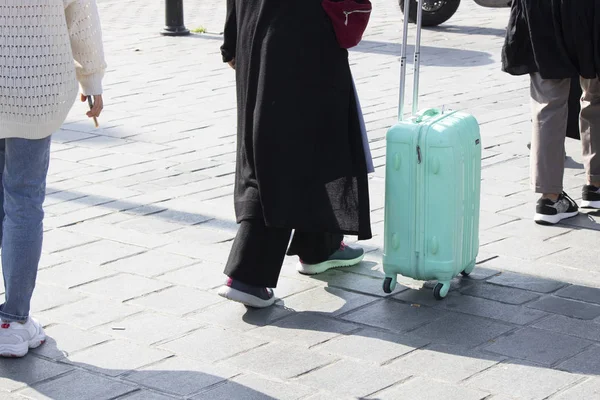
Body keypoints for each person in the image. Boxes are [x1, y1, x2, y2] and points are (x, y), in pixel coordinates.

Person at [217, 0, 372, 308]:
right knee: (289, 141)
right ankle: (248, 273)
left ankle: (319, 245)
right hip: (303, 28)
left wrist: (232, 38)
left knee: (295, 134)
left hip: (256, 22)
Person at [0, 0, 106, 357]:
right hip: (34, 87)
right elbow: (81, 18)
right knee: (24, 199)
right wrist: (91, 79)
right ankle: (13, 322)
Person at [502, 0, 600, 225]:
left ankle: (550, 198)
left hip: (541, 9)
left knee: (547, 103)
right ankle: (596, 185)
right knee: (596, 94)